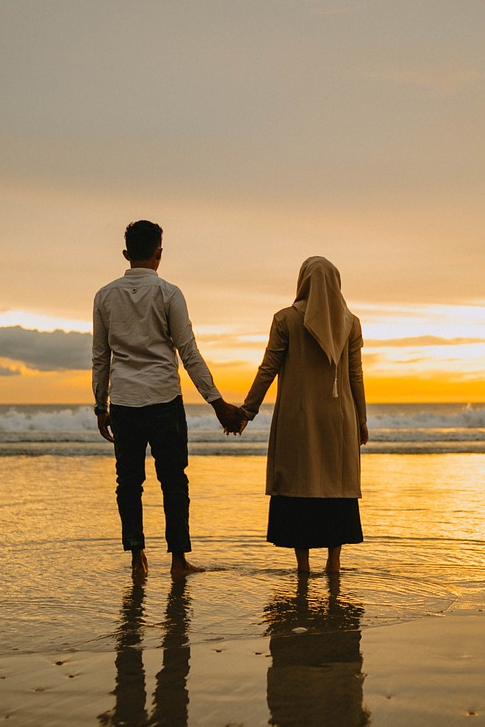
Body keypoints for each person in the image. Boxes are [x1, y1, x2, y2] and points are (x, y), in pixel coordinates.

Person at [92, 220, 243, 576]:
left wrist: (101, 404)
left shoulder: (105, 296)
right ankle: (178, 561)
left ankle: (137, 557)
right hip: (164, 401)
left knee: (128, 483)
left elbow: (101, 356)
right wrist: (217, 402)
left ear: (126, 254)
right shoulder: (169, 294)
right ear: (160, 252)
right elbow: (188, 351)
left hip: (125, 402)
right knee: (173, 481)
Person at [239, 256, 369, 574]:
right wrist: (361, 420)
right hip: (340, 419)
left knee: (300, 486)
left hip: (298, 419)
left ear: (303, 282)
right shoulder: (350, 323)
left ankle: (303, 567)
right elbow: (356, 375)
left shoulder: (285, 320)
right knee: (335, 488)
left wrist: (247, 411)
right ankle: (334, 562)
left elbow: (267, 369)